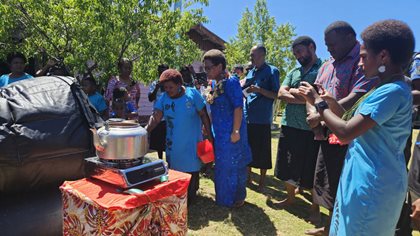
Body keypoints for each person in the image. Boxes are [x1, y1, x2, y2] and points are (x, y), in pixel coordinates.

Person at [299, 19, 414, 236]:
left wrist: (319, 104)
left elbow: (345, 132)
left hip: (374, 183)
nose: (360, 64)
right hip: (362, 175)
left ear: (383, 56)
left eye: (363, 57)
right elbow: (352, 123)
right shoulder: (383, 88)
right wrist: (332, 103)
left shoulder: (392, 92)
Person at [303, 21, 378, 235]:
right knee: (327, 182)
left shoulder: (362, 60)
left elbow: (357, 97)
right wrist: (312, 113)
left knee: (343, 185)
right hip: (327, 130)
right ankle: (329, 227)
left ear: (349, 38)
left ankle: (338, 228)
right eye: (326, 44)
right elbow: (313, 92)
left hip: (349, 132)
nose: (328, 48)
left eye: (332, 44)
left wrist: (319, 113)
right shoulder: (328, 64)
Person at [146, 69, 212, 204]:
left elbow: (204, 114)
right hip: (173, 143)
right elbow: (156, 116)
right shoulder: (164, 98)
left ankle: (192, 192)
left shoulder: (192, 94)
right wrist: (146, 130)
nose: (168, 90)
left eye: (171, 87)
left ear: (178, 84)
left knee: (191, 172)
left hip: (191, 142)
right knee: (175, 172)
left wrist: (209, 134)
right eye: (165, 88)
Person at [274, 36, 322, 221]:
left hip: (312, 127)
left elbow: (319, 96)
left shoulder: (323, 68)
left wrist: (295, 93)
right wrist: (303, 95)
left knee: (311, 167)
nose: (297, 56)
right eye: (295, 53)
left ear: (311, 47)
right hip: (289, 124)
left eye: (300, 51)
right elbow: (280, 93)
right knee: (287, 163)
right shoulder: (294, 70)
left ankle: (315, 208)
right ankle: (290, 197)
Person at [203, 49, 252, 208]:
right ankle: (223, 199)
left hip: (233, 133)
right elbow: (213, 107)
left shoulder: (231, 82)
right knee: (222, 165)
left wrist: (236, 131)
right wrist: (208, 127)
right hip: (220, 133)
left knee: (234, 165)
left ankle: (237, 198)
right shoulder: (214, 83)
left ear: (219, 66)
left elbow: (238, 107)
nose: (206, 71)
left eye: (208, 67)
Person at [244, 45, 280, 191]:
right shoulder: (251, 71)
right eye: (251, 55)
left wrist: (259, 90)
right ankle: (248, 177)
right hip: (248, 117)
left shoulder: (272, 71)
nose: (251, 58)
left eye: (254, 55)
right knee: (248, 149)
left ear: (263, 55)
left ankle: (262, 181)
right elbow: (245, 89)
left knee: (263, 151)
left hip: (263, 118)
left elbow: (276, 95)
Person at [148, 64, 169, 159]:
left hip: (169, 117)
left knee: (168, 141)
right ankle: (160, 159)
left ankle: (169, 159)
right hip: (158, 118)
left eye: (164, 71)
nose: (162, 74)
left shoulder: (171, 84)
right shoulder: (154, 84)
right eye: (161, 72)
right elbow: (150, 98)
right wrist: (157, 88)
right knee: (158, 143)